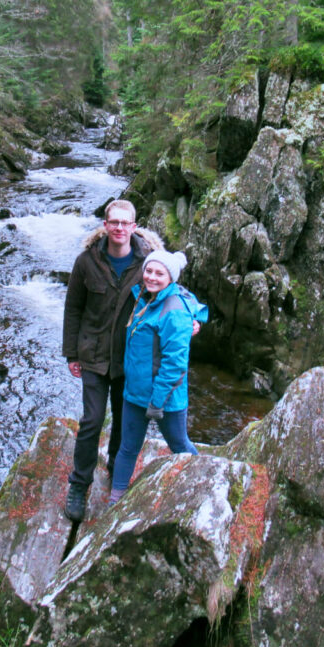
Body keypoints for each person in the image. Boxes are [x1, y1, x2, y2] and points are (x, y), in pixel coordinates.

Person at [61, 199, 164, 522]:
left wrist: (193, 320)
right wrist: (71, 353)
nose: (119, 228)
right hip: (92, 354)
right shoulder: (86, 262)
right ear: (105, 225)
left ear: (134, 226)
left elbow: (171, 295)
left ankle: (116, 467)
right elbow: (73, 308)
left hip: (129, 358)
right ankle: (79, 484)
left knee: (124, 420)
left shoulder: (148, 262)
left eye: (125, 223)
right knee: (92, 420)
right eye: (113, 222)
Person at [108, 249, 207, 506]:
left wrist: (157, 402)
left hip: (165, 400)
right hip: (135, 393)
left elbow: (175, 364)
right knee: (128, 447)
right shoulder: (145, 297)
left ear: (171, 278)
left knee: (179, 445)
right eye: (149, 271)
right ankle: (115, 499)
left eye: (159, 273)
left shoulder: (174, 311)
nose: (151, 277)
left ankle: (206, 482)